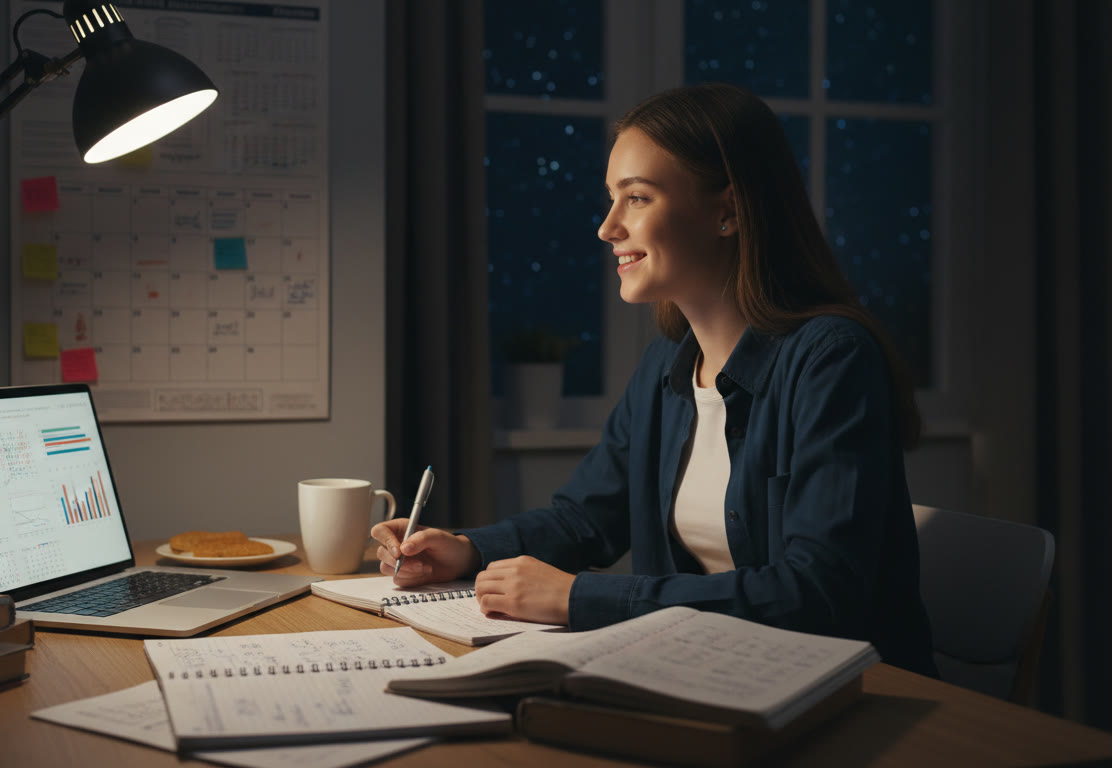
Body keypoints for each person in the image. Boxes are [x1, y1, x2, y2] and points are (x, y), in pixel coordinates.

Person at [371, 83, 937, 677]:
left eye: (637, 198)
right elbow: (586, 520)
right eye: (611, 199)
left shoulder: (833, 359)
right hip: (715, 674)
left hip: (851, 699)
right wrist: (467, 549)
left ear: (729, 211)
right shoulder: (666, 362)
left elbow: (817, 594)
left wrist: (576, 599)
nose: (608, 227)